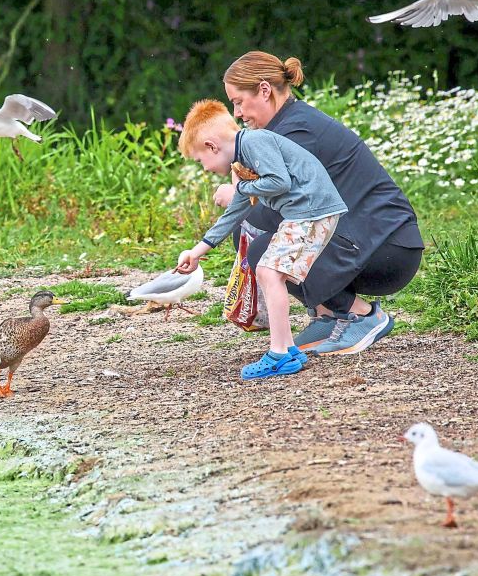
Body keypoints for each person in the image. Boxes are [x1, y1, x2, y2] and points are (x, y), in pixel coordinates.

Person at [221, 51, 424, 355]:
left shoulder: (296, 131)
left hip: (390, 249)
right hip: (367, 239)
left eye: (238, 101)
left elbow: (278, 214)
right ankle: (328, 315)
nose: (237, 113)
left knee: (262, 246)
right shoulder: (285, 125)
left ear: (264, 90)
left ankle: (361, 315)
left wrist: (240, 195)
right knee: (249, 234)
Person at [176, 99, 346, 380]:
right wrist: (197, 250)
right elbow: (233, 214)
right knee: (270, 272)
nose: (204, 168)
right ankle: (289, 349)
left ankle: (279, 354)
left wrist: (243, 186)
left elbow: (280, 182)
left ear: (211, 146)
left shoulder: (253, 142)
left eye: (200, 161)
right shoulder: (244, 159)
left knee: (269, 271)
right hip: (306, 212)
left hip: (313, 210)